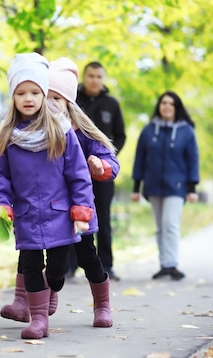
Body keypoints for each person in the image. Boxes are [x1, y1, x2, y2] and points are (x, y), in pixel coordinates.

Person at [0, 57, 120, 328]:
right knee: (30, 251)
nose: (49, 103)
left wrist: (101, 167)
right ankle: (26, 303)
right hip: (45, 206)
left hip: (80, 205)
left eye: (56, 98)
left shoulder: (79, 132)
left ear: (68, 102)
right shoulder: (31, 131)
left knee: (87, 257)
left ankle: (102, 306)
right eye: (47, 96)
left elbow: (108, 160)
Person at [0, 53, 95, 339]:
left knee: (58, 269)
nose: (28, 98)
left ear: (44, 93)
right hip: (27, 214)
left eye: (35, 92)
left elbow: (78, 173)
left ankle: (51, 292)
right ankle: (38, 320)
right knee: (32, 266)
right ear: (13, 97)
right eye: (21, 92)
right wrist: (0, 205)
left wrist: (82, 207)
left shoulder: (60, 131)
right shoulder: (6, 135)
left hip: (59, 213)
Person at [130, 91, 200, 280]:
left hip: (177, 186)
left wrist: (192, 188)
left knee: (170, 224)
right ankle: (164, 264)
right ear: (159, 106)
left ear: (176, 107)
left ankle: (172, 264)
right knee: (160, 227)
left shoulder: (186, 131)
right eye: (163, 103)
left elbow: (193, 159)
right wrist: (136, 187)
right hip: (153, 186)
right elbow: (140, 158)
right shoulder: (148, 130)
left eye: (171, 103)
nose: (167, 106)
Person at [72, 61, 127, 281]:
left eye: (99, 77)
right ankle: (69, 266)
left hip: (102, 173)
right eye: (91, 76)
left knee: (102, 217)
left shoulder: (111, 104)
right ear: (84, 77)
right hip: (74, 171)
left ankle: (107, 265)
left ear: (103, 79)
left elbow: (121, 135)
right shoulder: (73, 101)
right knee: (73, 214)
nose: (95, 80)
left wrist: (107, 160)